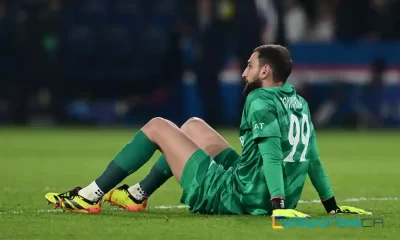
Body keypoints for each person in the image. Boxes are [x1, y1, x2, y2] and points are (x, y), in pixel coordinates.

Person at [45, 45, 371, 217]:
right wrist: (332, 206)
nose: (244, 72)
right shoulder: (298, 101)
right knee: (193, 127)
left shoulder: (259, 100)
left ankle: (90, 196)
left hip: (240, 197)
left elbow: (272, 155)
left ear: (265, 71)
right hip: (253, 181)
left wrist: (278, 205)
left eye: (249, 66)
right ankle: (137, 194)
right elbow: (311, 157)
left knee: (157, 125)